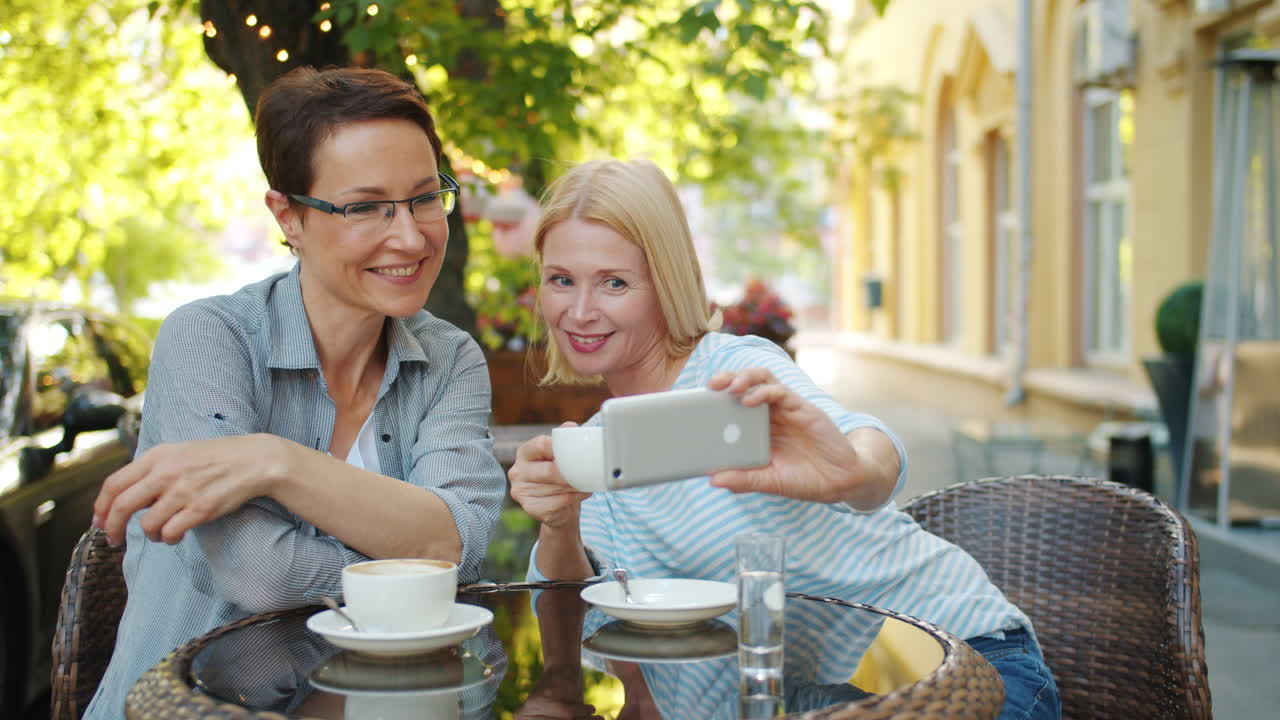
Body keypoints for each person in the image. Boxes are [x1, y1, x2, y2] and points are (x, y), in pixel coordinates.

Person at [507, 158, 1061, 720]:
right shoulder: (599, 449)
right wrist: (559, 521)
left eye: (614, 282)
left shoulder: (734, 374)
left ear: (664, 282)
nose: (578, 311)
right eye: (561, 280)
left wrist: (854, 472)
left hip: (961, 664)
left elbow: (871, 453)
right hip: (807, 702)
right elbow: (579, 642)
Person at [84, 66, 506, 719]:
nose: (412, 235)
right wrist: (412, 552)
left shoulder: (450, 359)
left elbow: (461, 538)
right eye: (365, 206)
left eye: (426, 197)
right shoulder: (209, 339)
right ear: (289, 217)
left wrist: (275, 464)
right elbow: (263, 576)